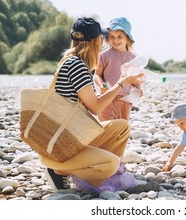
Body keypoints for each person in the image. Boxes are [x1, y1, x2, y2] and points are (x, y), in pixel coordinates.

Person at [40, 17, 144, 192]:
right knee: (110, 164)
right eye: (103, 38)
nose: (106, 41)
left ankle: (77, 163)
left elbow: (90, 103)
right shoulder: (77, 66)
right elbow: (96, 107)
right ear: (96, 41)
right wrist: (122, 83)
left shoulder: (72, 61)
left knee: (122, 127)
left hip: (66, 135)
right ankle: (59, 170)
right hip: (64, 143)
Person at [94, 17, 142, 121]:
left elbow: (135, 78)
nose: (115, 40)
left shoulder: (133, 58)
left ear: (127, 38)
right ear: (107, 38)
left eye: (119, 37)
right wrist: (101, 84)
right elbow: (97, 74)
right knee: (106, 126)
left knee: (122, 126)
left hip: (125, 99)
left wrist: (138, 88)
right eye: (112, 37)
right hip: (106, 97)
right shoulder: (104, 55)